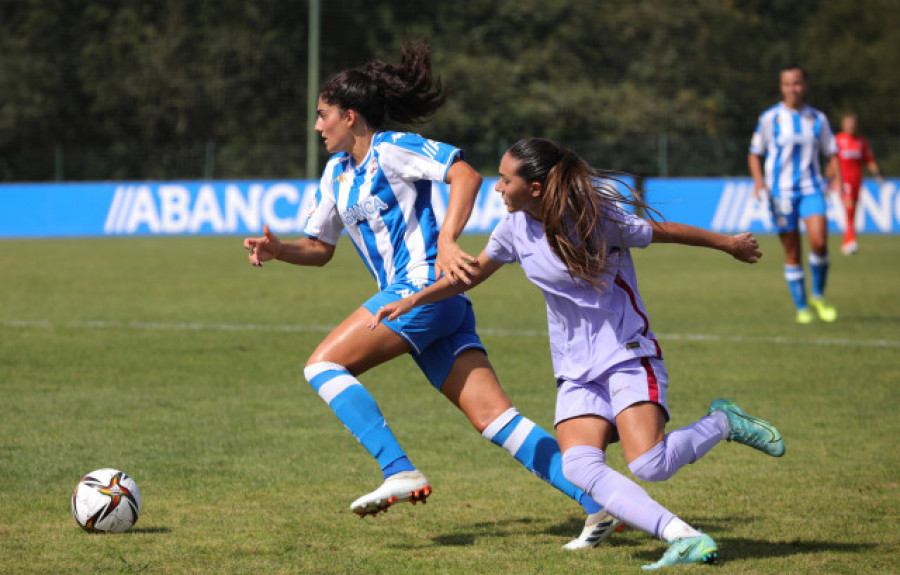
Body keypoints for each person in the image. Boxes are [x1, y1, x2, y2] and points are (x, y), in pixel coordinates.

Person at [243, 42, 619, 549]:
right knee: (496, 420)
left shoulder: (393, 147)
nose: (317, 126)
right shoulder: (335, 174)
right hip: (429, 304)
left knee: (322, 366)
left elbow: (465, 173)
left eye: (322, 115)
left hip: (421, 287)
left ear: (350, 117)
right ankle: (600, 504)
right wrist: (278, 249)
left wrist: (446, 240)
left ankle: (398, 468)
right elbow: (320, 248)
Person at [371, 138, 787, 569]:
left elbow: (661, 232)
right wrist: (413, 300)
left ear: (534, 188)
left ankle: (724, 422)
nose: (497, 188)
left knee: (649, 464)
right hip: (575, 370)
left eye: (505, 179)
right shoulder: (513, 229)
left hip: (627, 353)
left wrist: (728, 244)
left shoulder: (596, 217)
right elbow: (470, 275)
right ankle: (681, 535)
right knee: (579, 467)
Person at [748, 64, 842, 324]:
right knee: (792, 252)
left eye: (797, 83)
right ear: (782, 87)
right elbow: (755, 153)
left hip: (812, 188)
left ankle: (818, 295)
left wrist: (837, 179)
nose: (793, 89)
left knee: (820, 242)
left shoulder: (817, 118)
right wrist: (759, 182)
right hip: (781, 194)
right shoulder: (769, 118)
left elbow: (831, 151)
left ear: (805, 85)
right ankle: (801, 306)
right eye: (788, 84)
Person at [834, 110, 884, 255]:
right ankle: (851, 241)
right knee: (849, 208)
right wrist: (832, 179)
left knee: (852, 212)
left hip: (857, 181)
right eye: (848, 124)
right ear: (843, 124)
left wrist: (877, 174)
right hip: (844, 181)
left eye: (853, 124)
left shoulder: (861, 141)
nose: (851, 126)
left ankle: (846, 242)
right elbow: (832, 161)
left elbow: (869, 159)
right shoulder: (838, 140)